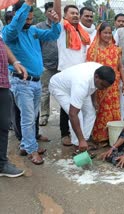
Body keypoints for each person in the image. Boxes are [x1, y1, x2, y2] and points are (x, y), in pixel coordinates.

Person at [2, 0, 61, 165]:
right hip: (22, 82)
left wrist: (56, 23)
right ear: (18, 16)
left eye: (30, 18)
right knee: (28, 118)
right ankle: (32, 150)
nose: (29, 21)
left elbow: (53, 35)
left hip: (35, 82)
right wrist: (27, 4)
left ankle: (26, 145)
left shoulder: (33, 30)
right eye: (26, 18)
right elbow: (16, 25)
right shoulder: (10, 32)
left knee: (32, 117)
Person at [49, 62, 115, 153]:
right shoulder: (82, 83)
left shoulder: (100, 72)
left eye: (106, 87)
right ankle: (77, 144)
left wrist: (94, 101)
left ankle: (84, 141)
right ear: (96, 77)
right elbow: (73, 114)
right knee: (77, 114)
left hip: (75, 86)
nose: (103, 89)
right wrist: (80, 140)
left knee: (91, 112)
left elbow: (94, 86)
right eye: (103, 86)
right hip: (60, 88)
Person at [86, 22, 124, 144]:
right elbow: (89, 70)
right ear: (99, 33)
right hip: (99, 87)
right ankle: (100, 137)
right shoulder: (93, 50)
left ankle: (113, 137)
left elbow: (120, 67)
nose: (108, 35)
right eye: (105, 33)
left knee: (113, 110)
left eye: (110, 33)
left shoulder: (115, 49)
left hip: (113, 87)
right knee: (100, 110)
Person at [56, 3, 91, 146]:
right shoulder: (61, 28)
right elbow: (56, 13)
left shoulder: (82, 32)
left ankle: (80, 135)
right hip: (66, 73)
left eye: (77, 13)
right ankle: (65, 134)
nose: (75, 15)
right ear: (65, 16)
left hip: (81, 74)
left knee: (79, 106)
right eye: (72, 13)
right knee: (66, 107)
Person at [0, 35, 27, 177]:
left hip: (3, 82)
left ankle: (1, 164)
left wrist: (15, 61)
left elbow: (2, 43)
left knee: (3, 124)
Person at [36, 2, 59, 126]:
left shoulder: (62, 26)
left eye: (54, 11)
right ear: (45, 13)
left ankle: (65, 118)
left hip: (61, 65)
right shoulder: (39, 27)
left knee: (63, 91)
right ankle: (44, 116)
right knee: (45, 91)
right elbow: (36, 47)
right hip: (45, 64)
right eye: (49, 11)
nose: (52, 13)